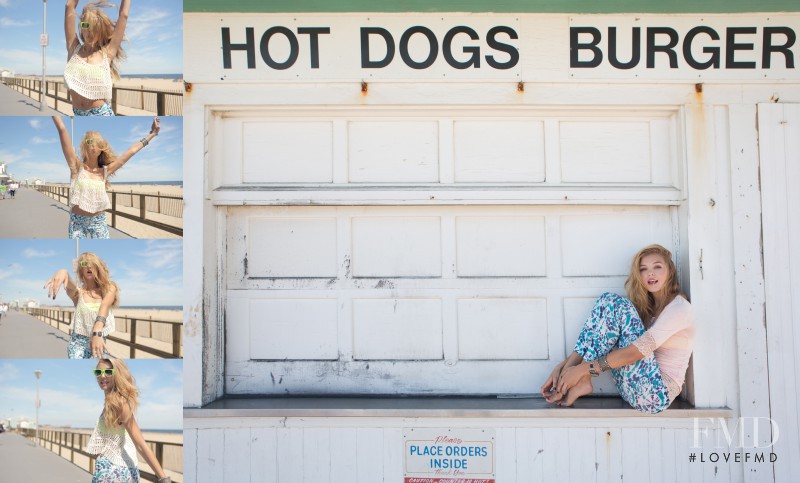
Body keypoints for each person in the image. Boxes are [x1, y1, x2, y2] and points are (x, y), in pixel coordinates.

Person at [540, 244, 696, 414]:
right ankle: (570, 375)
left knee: (618, 304)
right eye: (643, 269)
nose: (650, 273)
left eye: (657, 267)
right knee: (607, 301)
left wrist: (582, 369)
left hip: (655, 395)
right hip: (629, 387)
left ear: (670, 271)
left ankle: (581, 377)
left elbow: (634, 353)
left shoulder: (679, 308)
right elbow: (599, 333)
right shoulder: (645, 309)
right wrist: (563, 367)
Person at [52, 116, 160, 238]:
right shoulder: (76, 167)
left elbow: (131, 151)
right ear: (84, 146)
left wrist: (152, 133)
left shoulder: (105, 171)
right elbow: (62, 129)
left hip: (99, 221)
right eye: (89, 142)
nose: (92, 145)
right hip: (77, 221)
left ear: (101, 148)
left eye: (96, 142)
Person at [89, 358, 171, 483]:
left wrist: (163, 478)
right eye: (98, 372)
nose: (102, 376)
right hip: (109, 472)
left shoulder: (120, 404)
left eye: (108, 372)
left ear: (117, 374)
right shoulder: (110, 403)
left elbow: (140, 443)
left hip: (116, 473)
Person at [44, 252, 119, 359]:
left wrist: (97, 331)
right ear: (81, 270)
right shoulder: (78, 293)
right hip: (77, 343)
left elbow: (105, 306)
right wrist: (63, 272)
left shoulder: (109, 287)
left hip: (98, 340)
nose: (88, 266)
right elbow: (70, 286)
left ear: (98, 266)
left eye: (91, 263)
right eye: (84, 263)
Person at [63, 0, 130, 116]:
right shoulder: (73, 48)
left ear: (100, 30)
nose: (89, 31)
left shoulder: (107, 53)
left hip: (102, 114)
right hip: (78, 114)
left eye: (94, 27)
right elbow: (69, 5)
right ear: (81, 27)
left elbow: (123, 15)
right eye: (85, 25)